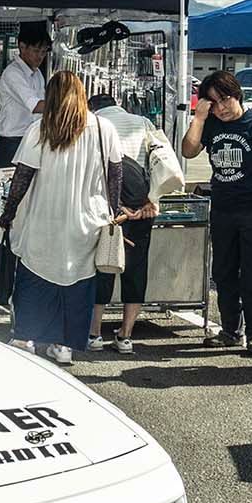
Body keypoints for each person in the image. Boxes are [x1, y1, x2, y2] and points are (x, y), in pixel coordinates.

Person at [0, 71, 120, 365]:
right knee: (77, 283)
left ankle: (24, 337)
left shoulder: (40, 130)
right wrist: (113, 213)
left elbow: (22, 177)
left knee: (34, 279)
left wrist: (9, 212)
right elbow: (115, 174)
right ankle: (63, 345)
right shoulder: (105, 129)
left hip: (44, 219)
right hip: (86, 222)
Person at [183, 70, 252, 355]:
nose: (222, 108)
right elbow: (188, 150)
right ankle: (230, 330)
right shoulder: (212, 123)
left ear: (236, 94)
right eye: (213, 103)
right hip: (224, 209)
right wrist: (200, 118)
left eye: (225, 99)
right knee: (224, 272)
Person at [91, 92, 179, 354]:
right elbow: (158, 162)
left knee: (103, 266)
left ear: (92, 107)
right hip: (142, 208)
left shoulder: (93, 124)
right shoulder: (141, 122)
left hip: (109, 210)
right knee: (136, 270)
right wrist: (152, 199)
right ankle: (126, 335)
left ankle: (94, 333)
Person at [0, 22, 52, 166]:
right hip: (13, 143)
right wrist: (65, 107)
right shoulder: (13, 73)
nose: (40, 56)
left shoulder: (37, 74)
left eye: (44, 52)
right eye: (36, 51)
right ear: (22, 46)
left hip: (32, 139)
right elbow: (36, 106)